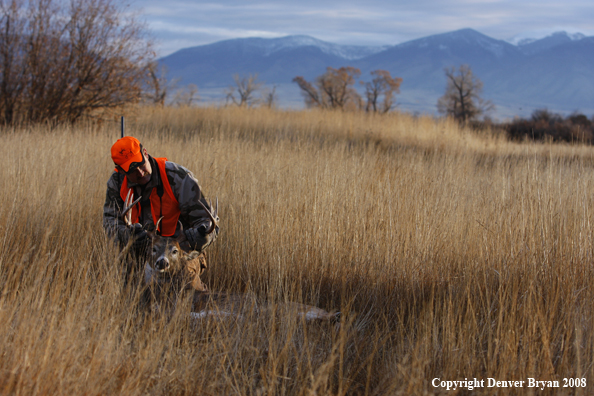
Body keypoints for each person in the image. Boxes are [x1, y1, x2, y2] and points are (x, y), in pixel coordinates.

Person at [103, 136, 219, 270]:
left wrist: (199, 236)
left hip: (180, 253)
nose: (140, 173)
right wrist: (127, 235)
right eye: (132, 171)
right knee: (121, 279)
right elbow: (110, 221)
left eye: (141, 165)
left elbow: (208, 222)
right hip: (142, 254)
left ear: (145, 154)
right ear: (121, 170)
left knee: (186, 281)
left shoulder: (178, 178)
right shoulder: (117, 182)